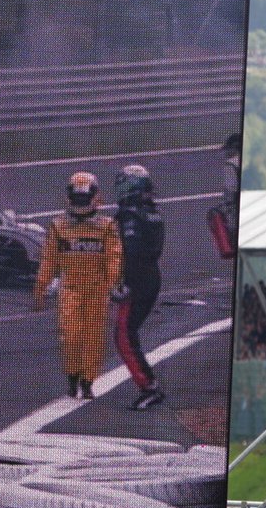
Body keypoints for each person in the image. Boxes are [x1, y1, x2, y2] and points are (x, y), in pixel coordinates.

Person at [33, 171, 123, 399]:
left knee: (93, 337)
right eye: (78, 197)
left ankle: (88, 380)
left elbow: (114, 257)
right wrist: (40, 288)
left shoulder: (107, 226)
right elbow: (49, 259)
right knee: (70, 335)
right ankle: (73, 377)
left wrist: (112, 285)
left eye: (85, 197)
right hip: (70, 288)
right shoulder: (58, 226)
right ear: (70, 197)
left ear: (94, 197)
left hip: (97, 289)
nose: (81, 202)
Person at [112, 165, 166, 410]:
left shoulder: (130, 215)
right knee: (127, 334)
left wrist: (125, 284)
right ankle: (148, 385)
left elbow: (131, 252)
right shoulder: (152, 211)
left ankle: (149, 387)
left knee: (124, 335)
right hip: (151, 275)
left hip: (139, 279)